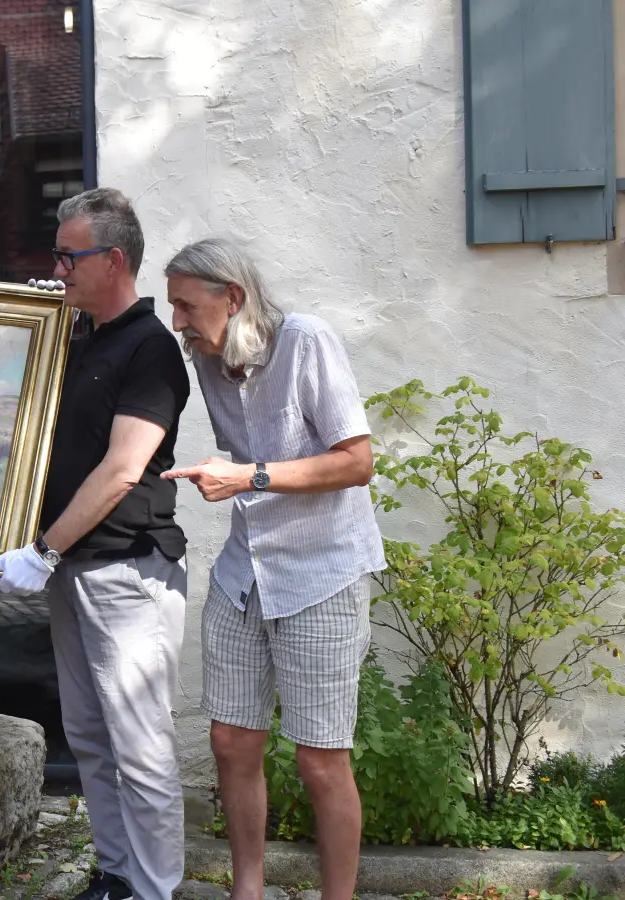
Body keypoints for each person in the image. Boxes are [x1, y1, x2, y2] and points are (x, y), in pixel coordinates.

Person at [0, 188, 191, 900]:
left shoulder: (151, 349)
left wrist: (42, 551)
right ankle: (117, 874)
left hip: (129, 572)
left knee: (141, 749)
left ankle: (155, 891)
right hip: (76, 570)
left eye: (69, 258)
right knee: (92, 738)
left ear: (114, 260)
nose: (58, 270)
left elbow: (123, 468)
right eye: (57, 257)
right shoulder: (76, 338)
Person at [161, 237, 382, 900]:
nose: (176, 320)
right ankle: (247, 891)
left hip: (322, 574)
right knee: (231, 741)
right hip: (244, 573)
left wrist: (249, 476)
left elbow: (357, 462)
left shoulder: (305, 341)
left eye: (185, 305)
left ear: (233, 297)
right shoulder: (207, 359)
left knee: (320, 760)